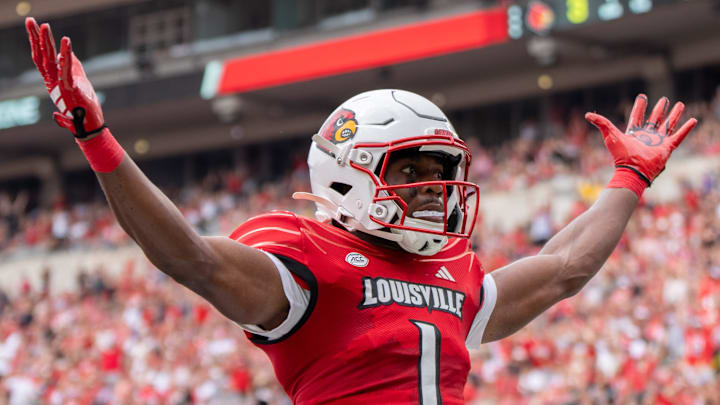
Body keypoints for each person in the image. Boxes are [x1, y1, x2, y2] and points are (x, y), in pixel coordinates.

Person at [25, 17, 697, 405]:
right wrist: (97, 137)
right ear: (348, 176)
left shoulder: (455, 275)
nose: (433, 188)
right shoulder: (307, 263)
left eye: (440, 172)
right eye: (411, 170)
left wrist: (629, 180)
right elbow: (189, 257)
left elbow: (562, 268)